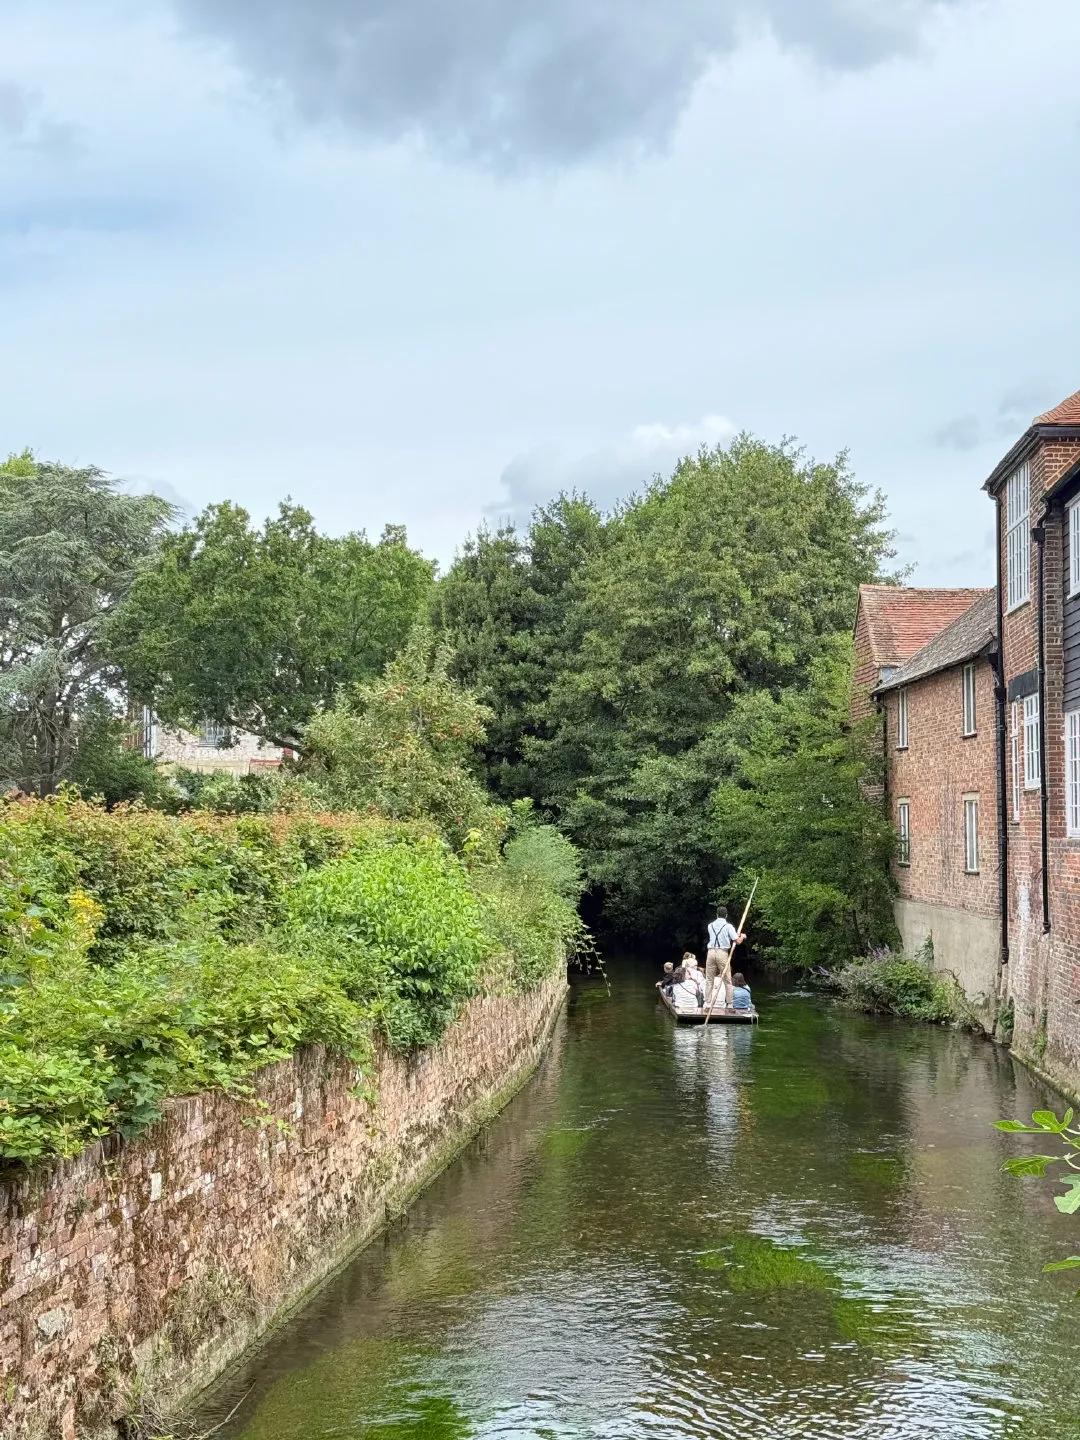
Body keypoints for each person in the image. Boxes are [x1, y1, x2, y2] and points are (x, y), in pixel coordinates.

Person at [705, 905, 745, 1010]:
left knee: (709, 979)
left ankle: (707, 1003)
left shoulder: (710, 926)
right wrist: (743, 936)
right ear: (726, 915)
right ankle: (730, 1004)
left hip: (711, 952)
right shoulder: (728, 926)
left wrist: (735, 935)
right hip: (722, 953)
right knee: (728, 980)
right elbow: (738, 941)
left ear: (716, 914)